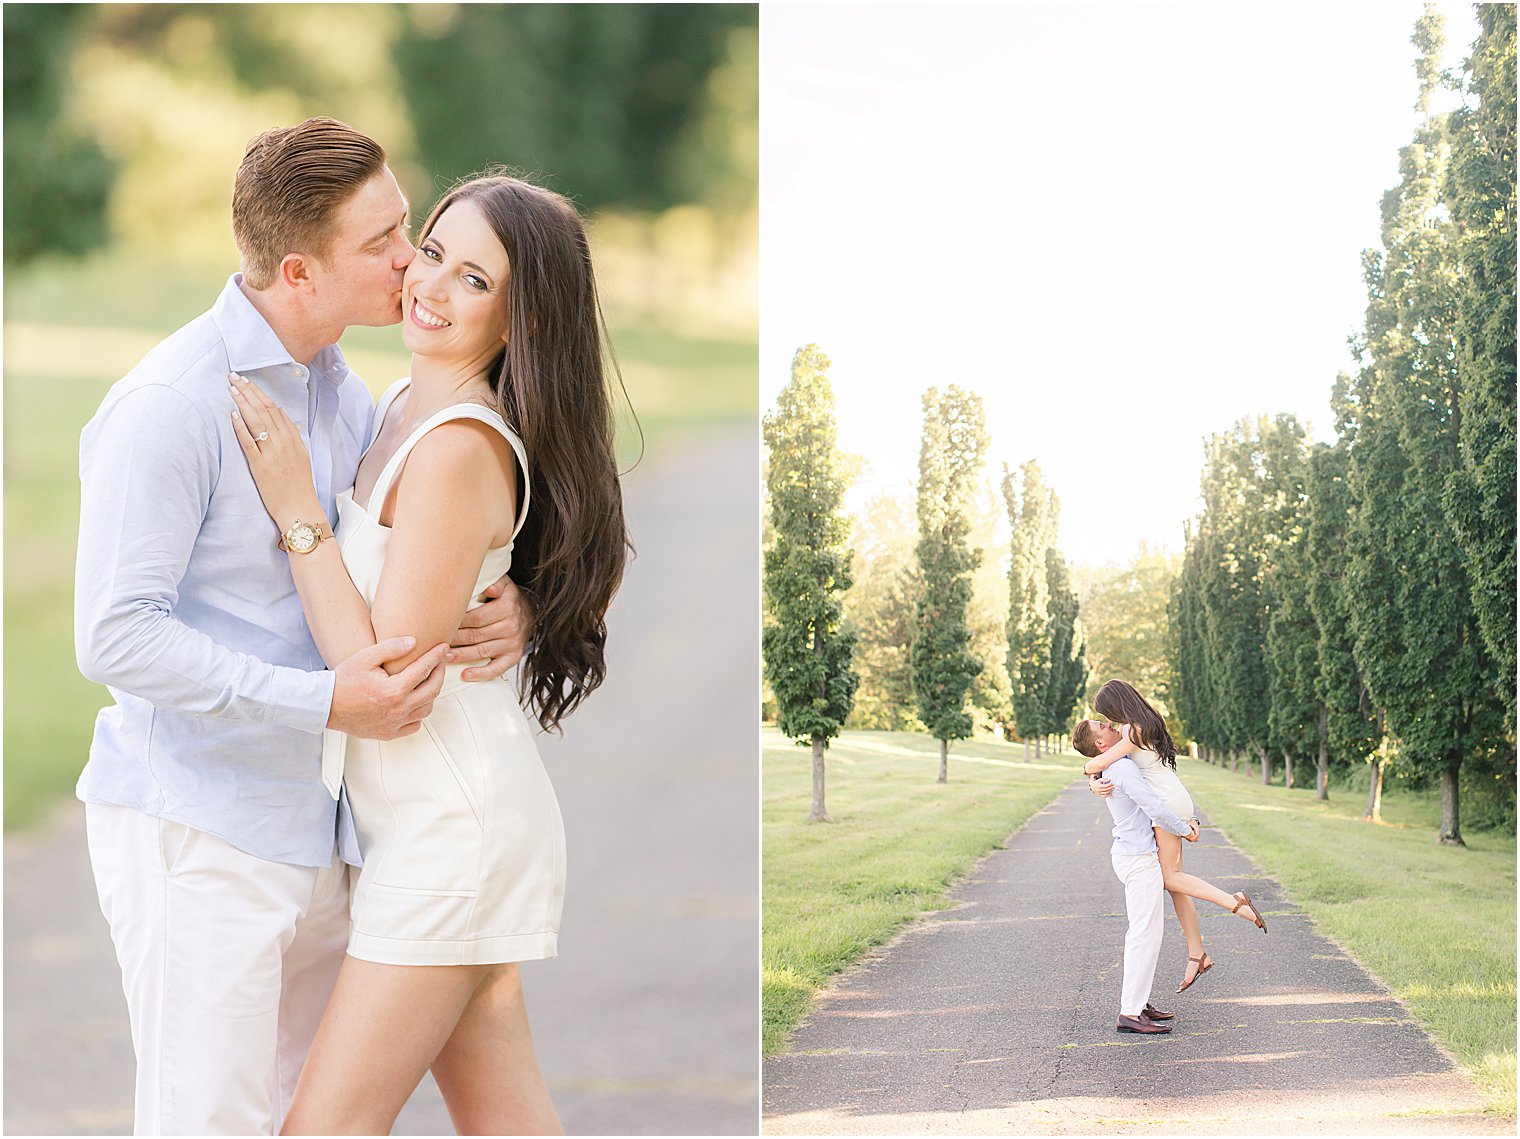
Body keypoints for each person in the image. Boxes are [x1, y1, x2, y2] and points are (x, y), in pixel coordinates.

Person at [74, 118, 534, 1136]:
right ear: (299, 269)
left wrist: (516, 598)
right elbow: (113, 634)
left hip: (321, 833)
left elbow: (412, 549)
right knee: (208, 1121)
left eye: (407, 225)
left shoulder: (353, 394)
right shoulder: (173, 404)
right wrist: (323, 699)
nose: (411, 260)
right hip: (199, 828)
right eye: (384, 242)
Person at [228, 168, 628, 1134]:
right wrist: (522, 598)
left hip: (452, 835)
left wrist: (296, 512)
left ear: (523, 323)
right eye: (434, 251)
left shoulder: (455, 447)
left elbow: (386, 673)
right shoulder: (403, 398)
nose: (431, 284)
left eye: (474, 281)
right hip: (427, 826)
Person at [1076, 679, 1268, 994]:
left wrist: (1090, 772)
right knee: (1173, 882)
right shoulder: (1139, 725)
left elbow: (1099, 761)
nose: (1109, 722)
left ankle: (1233, 902)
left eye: (1107, 714)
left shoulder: (1136, 730)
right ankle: (1197, 954)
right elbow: (1108, 764)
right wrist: (1094, 781)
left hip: (1166, 805)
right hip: (1172, 799)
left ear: (1117, 705)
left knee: (1169, 878)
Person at [1090, 739, 1197, 1034]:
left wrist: (1091, 776)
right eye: (1105, 726)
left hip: (1133, 855)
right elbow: (1152, 805)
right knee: (1143, 934)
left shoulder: (1118, 764)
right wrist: (1185, 829)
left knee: (1148, 933)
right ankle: (1130, 1012)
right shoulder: (1122, 767)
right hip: (1138, 859)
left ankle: (1139, 1003)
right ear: (1100, 742)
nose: (1112, 726)